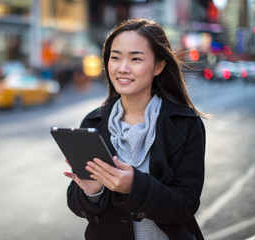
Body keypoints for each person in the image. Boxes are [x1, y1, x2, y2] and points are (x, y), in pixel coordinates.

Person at [64, 18, 206, 240]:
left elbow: (185, 205)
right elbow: (77, 204)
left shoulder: (185, 123)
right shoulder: (93, 123)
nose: (123, 68)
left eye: (136, 58)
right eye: (115, 58)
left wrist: (134, 186)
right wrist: (92, 191)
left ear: (159, 66)